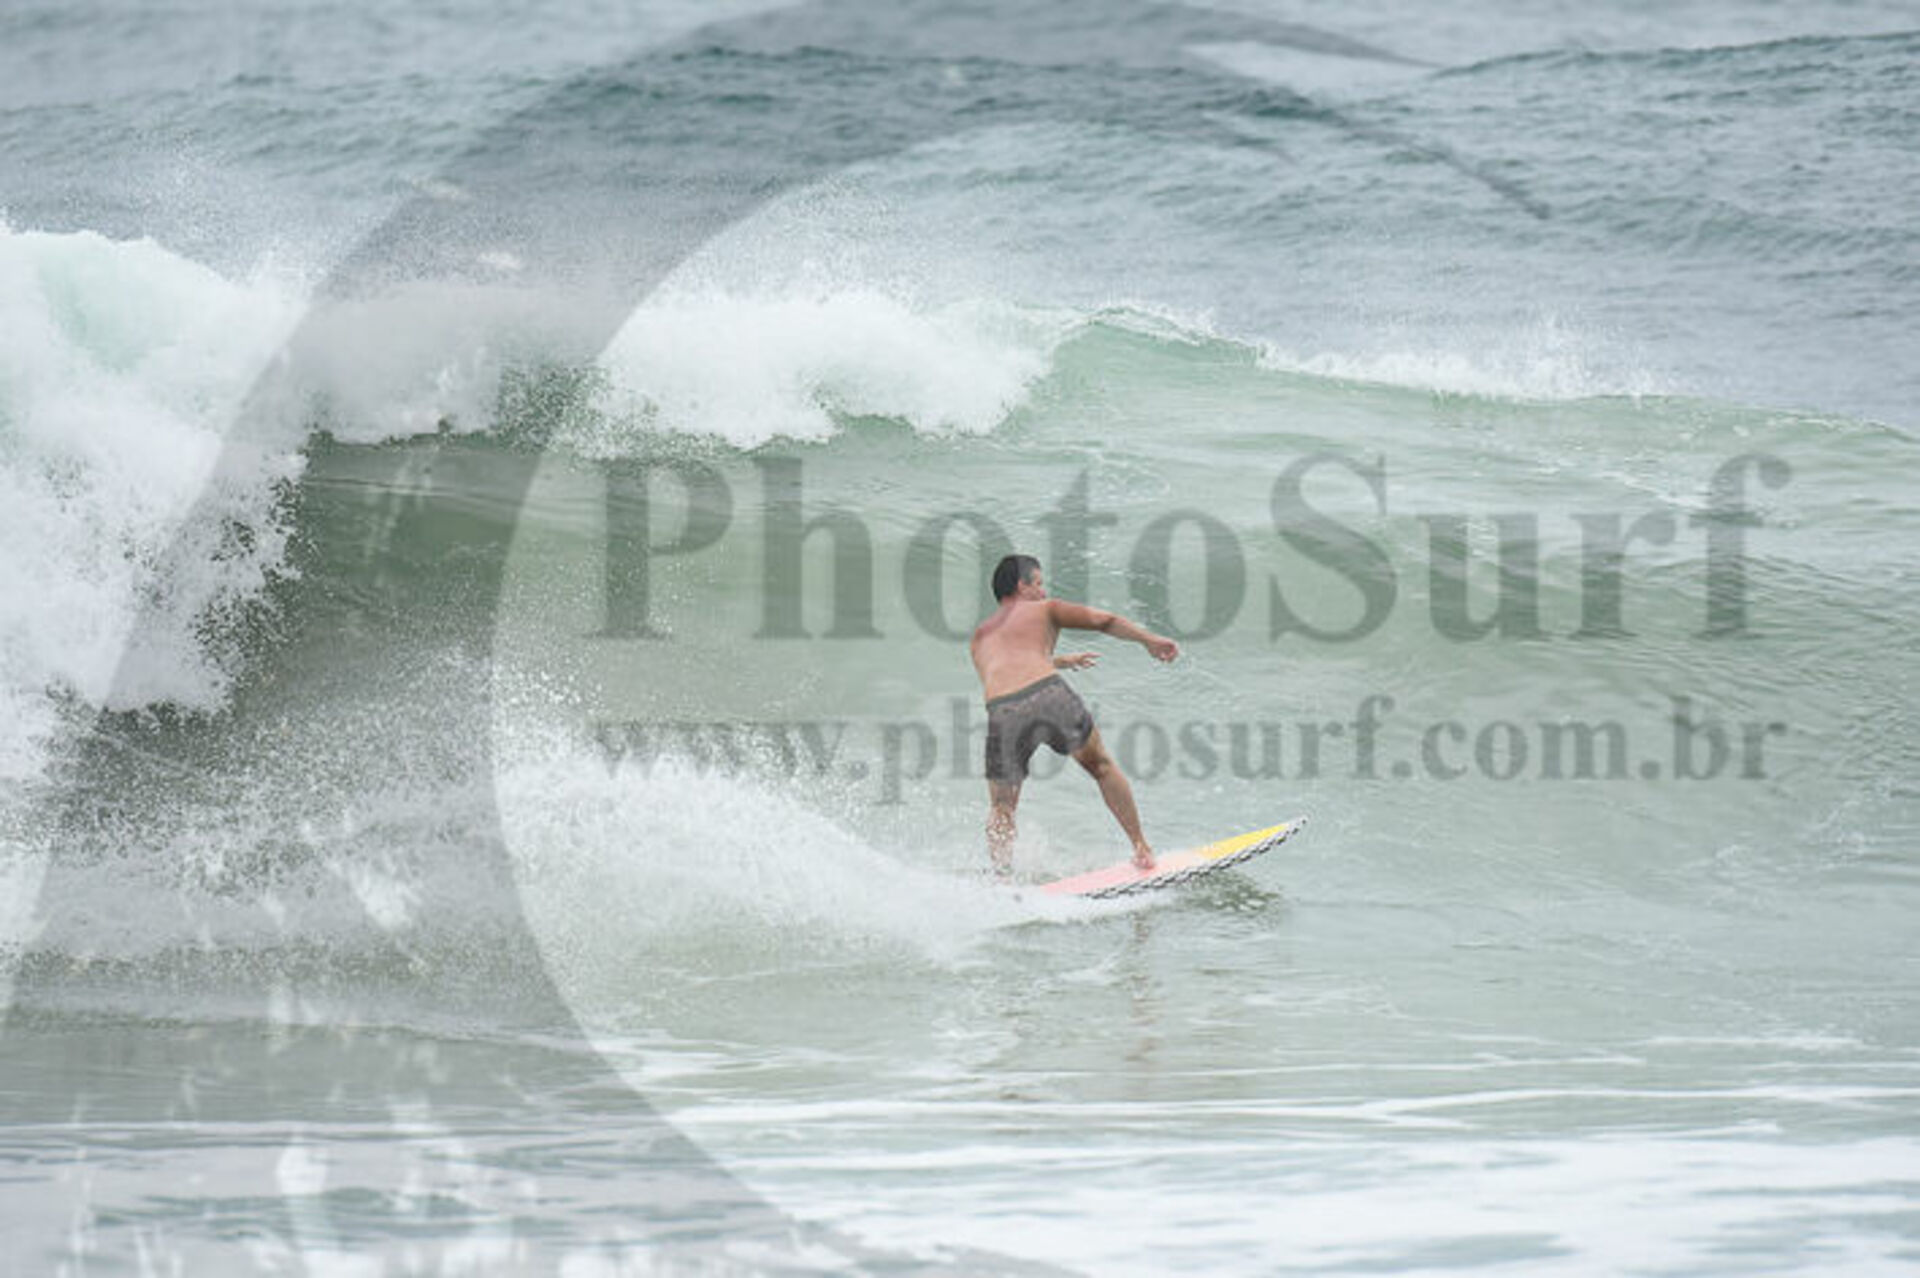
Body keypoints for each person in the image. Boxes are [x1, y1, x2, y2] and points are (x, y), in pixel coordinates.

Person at [970, 553, 1180, 876]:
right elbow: (1105, 621)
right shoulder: (1046, 608)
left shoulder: (980, 637)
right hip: (1048, 695)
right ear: (1021, 585)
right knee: (1102, 767)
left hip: (1002, 711)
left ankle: (1001, 877)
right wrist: (1148, 640)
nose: (1043, 591)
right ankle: (1141, 849)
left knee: (1002, 806)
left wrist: (1060, 661)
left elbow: (1009, 669)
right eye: (1038, 583)